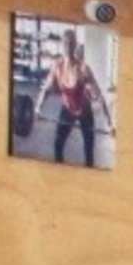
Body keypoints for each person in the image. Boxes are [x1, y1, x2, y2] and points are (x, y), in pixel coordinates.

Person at [47, 30, 111, 167]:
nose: (68, 47)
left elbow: (99, 96)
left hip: (84, 111)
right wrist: (37, 107)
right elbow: (46, 89)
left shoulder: (83, 69)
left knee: (88, 149)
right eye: (65, 44)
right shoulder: (57, 66)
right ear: (62, 44)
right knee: (58, 144)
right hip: (67, 109)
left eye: (71, 44)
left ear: (75, 45)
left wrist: (110, 123)